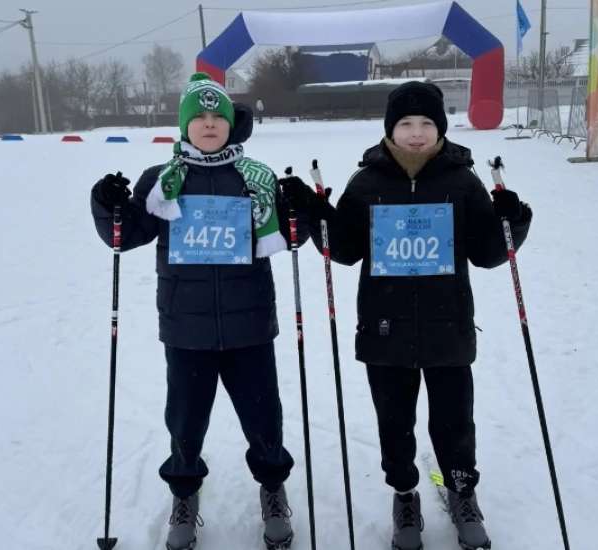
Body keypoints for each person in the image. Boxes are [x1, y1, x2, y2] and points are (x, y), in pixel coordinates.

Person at [281, 81, 532, 550]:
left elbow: (488, 253)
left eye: (426, 124)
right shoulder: (368, 182)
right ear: (390, 129)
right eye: (405, 124)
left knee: (454, 420)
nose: (416, 134)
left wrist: (512, 218)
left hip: (448, 327)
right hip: (385, 328)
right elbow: (346, 249)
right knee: (393, 419)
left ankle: (461, 491)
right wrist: (318, 213)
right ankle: (404, 493)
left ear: (439, 128)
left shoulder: (461, 180)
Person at [90, 73, 307, 550]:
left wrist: (300, 209)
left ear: (232, 124)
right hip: (186, 329)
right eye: (199, 117)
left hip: (249, 323)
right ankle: (184, 495)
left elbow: (289, 237)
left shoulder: (255, 178)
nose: (209, 125)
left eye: (218, 117)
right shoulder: (161, 180)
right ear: (185, 125)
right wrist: (108, 207)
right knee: (185, 422)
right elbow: (123, 237)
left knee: (264, 417)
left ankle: (272, 487)